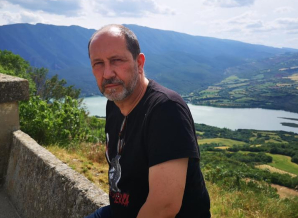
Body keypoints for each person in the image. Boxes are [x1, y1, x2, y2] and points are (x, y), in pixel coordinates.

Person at [85, 24, 211, 218]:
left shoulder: (166, 109)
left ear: (140, 63)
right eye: (98, 63)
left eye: (116, 60)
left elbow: (163, 208)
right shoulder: (114, 103)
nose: (107, 73)